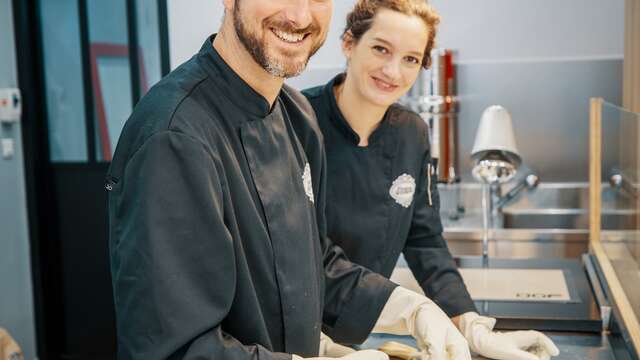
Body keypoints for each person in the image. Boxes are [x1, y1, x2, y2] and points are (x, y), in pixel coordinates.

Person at [107, 0, 471, 359]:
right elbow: (176, 349)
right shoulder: (174, 136)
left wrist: (411, 309)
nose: (299, 16)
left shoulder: (296, 117)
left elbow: (315, 267)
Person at [303, 1, 560, 360]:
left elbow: (424, 239)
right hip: (290, 335)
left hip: (360, 327)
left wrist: (468, 322)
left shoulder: (412, 133)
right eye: (380, 49)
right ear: (349, 43)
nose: (393, 71)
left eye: (410, 58)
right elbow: (294, 251)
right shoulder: (296, 123)